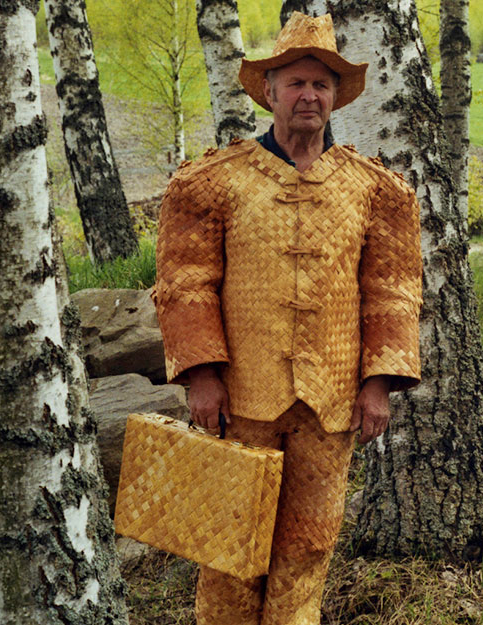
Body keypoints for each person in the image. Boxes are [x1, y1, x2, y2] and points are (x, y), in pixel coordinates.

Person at [153, 12, 422, 625]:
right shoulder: (213, 183)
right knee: (227, 549)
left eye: (321, 85)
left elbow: (393, 289)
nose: (309, 95)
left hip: (329, 404)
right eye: (296, 83)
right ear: (268, 91)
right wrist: (201, 375)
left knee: (308, 546)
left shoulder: (375, 190)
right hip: (238, 400)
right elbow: (185, 281)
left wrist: (377, 382)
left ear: (335, 97)